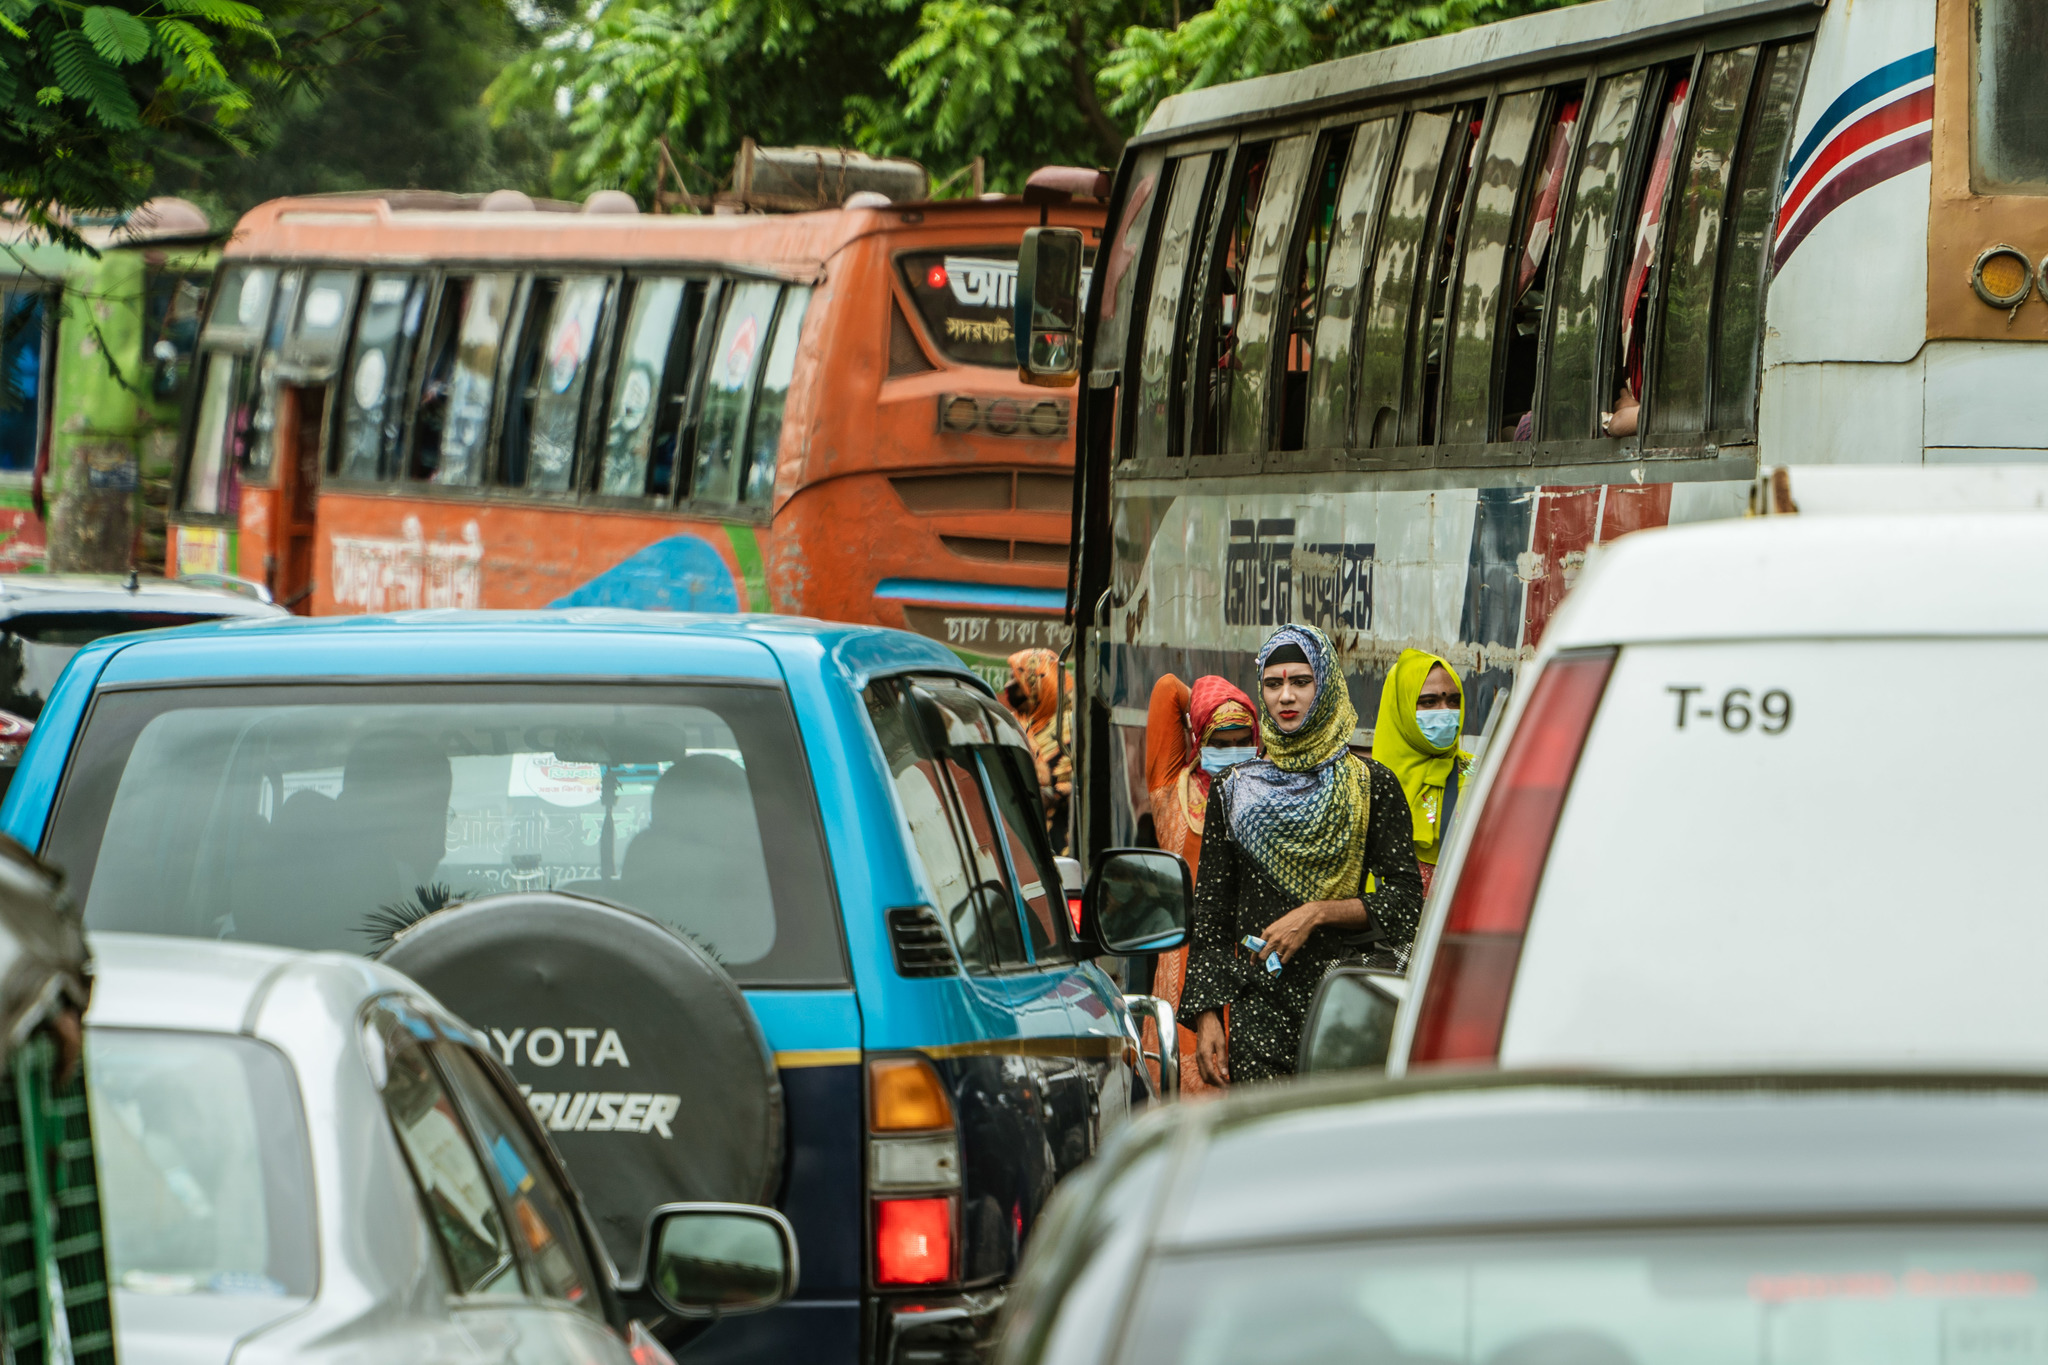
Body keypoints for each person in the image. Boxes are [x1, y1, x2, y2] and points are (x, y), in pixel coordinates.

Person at [1181, 623, 1425, 1086]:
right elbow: (1212, 913)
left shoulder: (1371, 785)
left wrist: (1315, 914)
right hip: (1260, 1011)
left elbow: (1406, 903)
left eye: (1301, 681)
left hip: (1345, 1009)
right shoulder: (1234, 790)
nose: (1286, 697)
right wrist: (1209, 1015)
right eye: (1273, 684)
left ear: (1326, 683)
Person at [1143, 672, 1256, 1095]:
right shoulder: (1171, 791)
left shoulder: (1266, 798)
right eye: (1218, 743)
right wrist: (1209, 700)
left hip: (1242, 972)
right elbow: (1167, 689)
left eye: (1242, 742)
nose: (1231, 753)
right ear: (1198, 742)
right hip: (1183, 976)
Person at [1372, 648, 1475, 893]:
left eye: (1453, 701)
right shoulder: (1363, 783)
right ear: (1401, 708)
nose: (1445, 712)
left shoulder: (1483, 776)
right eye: (1429, 702)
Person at [1004, 648, 1073, 852]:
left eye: (1016, 678)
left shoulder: (1070, 731)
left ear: (1037, 684)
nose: (1008, 686)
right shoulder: (1011, 723)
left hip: (1057, 844)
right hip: (1015, 842)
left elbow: (1075, 785)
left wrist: (1045, 795)